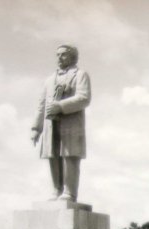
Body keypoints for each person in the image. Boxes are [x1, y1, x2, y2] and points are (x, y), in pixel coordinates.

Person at [31, 44, 91, 202]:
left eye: (63, 54)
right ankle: (56, 189)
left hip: (71, 125)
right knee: (53, 156)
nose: (59, 57)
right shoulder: (49, 80)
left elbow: (84, 98)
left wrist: (61, 106)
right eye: (57, 55)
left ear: (72, 56)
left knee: (69, 156)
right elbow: (41, 105)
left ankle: (69, 192)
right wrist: (36, 128)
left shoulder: (80, 75)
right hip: (51, 124)